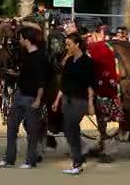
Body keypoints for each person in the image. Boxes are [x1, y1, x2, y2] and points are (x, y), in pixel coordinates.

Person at [0, 27, 48, 169]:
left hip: (31, 98)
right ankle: (9, 159)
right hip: (20, 95)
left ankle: (30, 161)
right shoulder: (26, 56)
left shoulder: (40, 57)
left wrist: (38, 99)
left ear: (26, 39)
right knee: (11, 126)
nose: (19, 41)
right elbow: (28, 75)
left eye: (20, 38)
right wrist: (14, 74)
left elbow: (42, 80)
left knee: (32, 131)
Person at [52, 32, 96, 175]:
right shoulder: (69, 61)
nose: (67, 47)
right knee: (68, 128)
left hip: (80, 100)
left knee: (71, 127)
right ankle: (78, 157)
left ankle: (77, 161)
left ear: (77, 44)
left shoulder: (87, 62)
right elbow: (63, 84)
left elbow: (90, 85)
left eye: (69, 44)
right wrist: (57, 100)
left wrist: (90, 104)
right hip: (67, 99)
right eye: (66, 44)